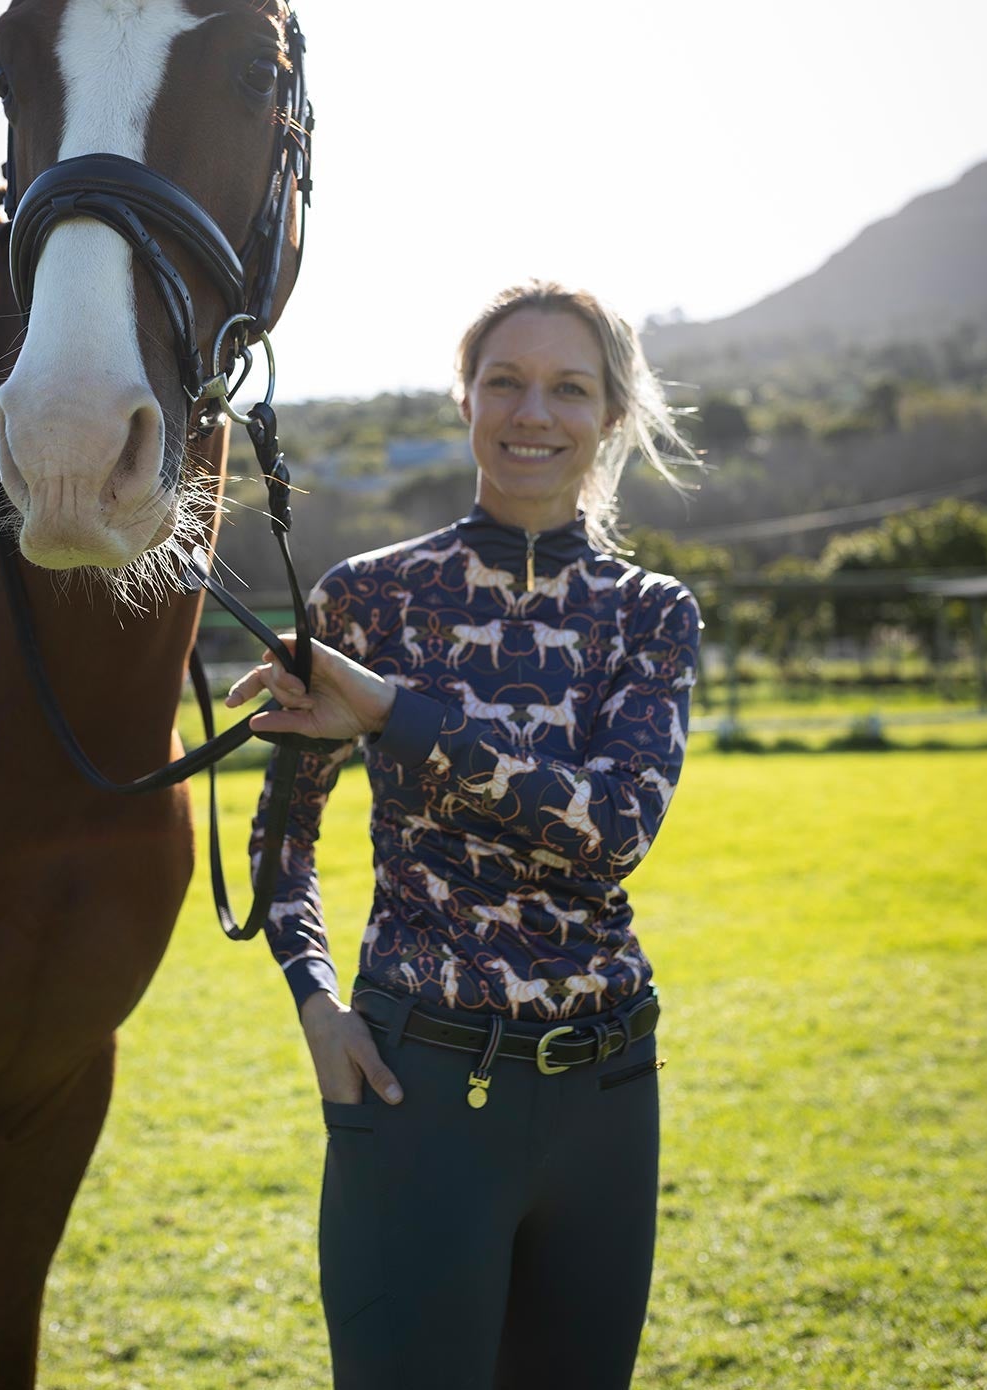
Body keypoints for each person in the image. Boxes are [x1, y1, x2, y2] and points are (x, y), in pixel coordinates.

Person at [228, 280, 701, 1390]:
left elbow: (613, 829)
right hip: (416, 1087)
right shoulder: (370, 601)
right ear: (466, 401)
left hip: (608, 1095)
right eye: (506, 382)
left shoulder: (652, 612)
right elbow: (282, 844)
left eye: (569, 388)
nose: (534, 412)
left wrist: (396, 715)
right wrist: (313, 999)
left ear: (611, 416)